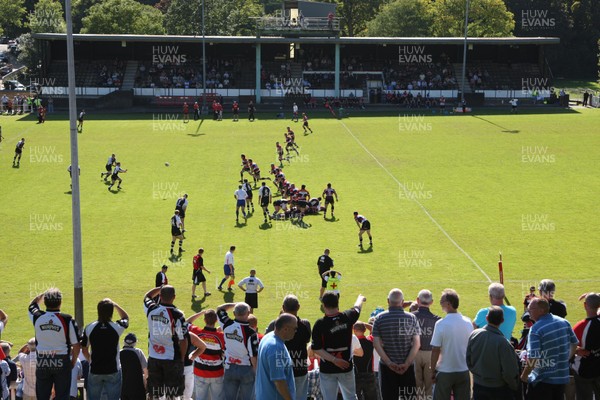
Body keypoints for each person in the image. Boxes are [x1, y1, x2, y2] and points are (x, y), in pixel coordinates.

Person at [311, 293, 367, 400]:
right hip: (346, 367)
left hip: (327, 369)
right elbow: (357, 308)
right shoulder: (348, 316)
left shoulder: (319, 324)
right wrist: (360, 298)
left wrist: (334, 360)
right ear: (337, 303)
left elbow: (316, 348)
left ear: (323, 306)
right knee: (350, 397)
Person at [29, 288, 81, 400]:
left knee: (42, 397)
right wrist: (72, 361)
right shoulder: (67, 319)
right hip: (62, 361)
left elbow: (32, 305)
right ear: (60, 302)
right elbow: (76, 345)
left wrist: (44, 294)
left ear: (45, 301)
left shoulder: (37, 316)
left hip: (43, 361)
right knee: (62, 396)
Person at [521, 297, 578, 400]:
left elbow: (533, 357)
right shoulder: (564, 322)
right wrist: (565, 359)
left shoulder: (536, 329)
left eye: (530, 309)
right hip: (561, 380)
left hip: (542, 381)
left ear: (541, 310)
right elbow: (574, 343)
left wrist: (524, 376)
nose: (528, 311)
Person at [372, 288, 420, 400]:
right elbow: (416, 344)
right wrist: (407, 363)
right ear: (402, 302)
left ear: (388, 301)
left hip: (386, 368)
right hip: (407, 368)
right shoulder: (411, 318)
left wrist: (389, 363)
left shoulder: (379, 318)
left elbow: (376, 344)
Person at [466, 306, 520, 400]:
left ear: (486, 318)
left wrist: (477, 374)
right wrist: (514, 386)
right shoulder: (504, 343)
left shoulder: (474, 335)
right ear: (502, 320)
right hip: (498, 389)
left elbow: (468, 359)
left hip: (478, 385)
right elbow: (509, 371)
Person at [144, 286, 188, 400]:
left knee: (153, 393)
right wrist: (182, 358)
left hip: (154, 358)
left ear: (160, 296)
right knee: (172, 394)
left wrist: (160, 287)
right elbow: (183, 340)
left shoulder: (151, 308)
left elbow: (147, 297)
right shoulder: (178, 315)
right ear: (174, 297)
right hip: (172, 359)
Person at [265, 295, 312, 400]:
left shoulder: (274, 325)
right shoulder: (305, 324)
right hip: (299, 367)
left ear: (283, 307)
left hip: (280, 369)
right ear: (298, 307)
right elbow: (307, 340)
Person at [81, 298, 129, 400]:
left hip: (95, 370)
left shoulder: (89, 327)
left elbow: (84, 349)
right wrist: (115, 305)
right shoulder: (117, 327)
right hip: (113, 370)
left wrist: (90, 360)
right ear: (111, 312)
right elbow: (125, 317)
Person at [430, 288, 473, 400]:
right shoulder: (468, 322)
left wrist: (432, 370)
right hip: (463, 370)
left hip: (445, 371)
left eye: (441, 301)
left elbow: (435, 349)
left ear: (448, 304)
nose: (440, 303)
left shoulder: (440, 324)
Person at [217, 302, 259, 400]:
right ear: (248, 313)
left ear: (234, 313)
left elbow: (220, 308)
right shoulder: (251, 333)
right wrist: (256, 372)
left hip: (229, 367)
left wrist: (236, 304)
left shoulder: (226, 324)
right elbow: (253, 356)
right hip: (246, 369)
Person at [255, 314, 298, 400]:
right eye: (295, 329)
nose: (295, 331)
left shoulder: (268, 337)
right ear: (285, 328)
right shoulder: (275, 348)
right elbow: (279, 381)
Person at [186, 309, 226, 400]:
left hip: (200, 372)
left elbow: (186, 322)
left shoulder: (197, 332)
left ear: (204, 320)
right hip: (217, 373)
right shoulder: (221, 336)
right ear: (216, 321)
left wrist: (200, 313)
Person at [412, 289, 441, 398]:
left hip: (414, 353)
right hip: (431, 354)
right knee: (429, 385)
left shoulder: (410, 317)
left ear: (418, 300)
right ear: (431, 302)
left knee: (417, 385)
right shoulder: (437, 320)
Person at [572, 292, 600, 400]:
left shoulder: (580, 327)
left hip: (583, 371)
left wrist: (576, 350)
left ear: (585, 305)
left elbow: (568, 347)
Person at [352, 322, 378, 400]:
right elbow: (374, 329)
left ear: (354, 330)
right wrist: (364, 324)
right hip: (369, 374)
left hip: (355, 375)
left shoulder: (351, 343)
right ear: (364, 330)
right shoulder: (371, 341)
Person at [119, 333, 148, 400]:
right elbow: (146, 370)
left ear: (124, 341)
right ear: (135, 342)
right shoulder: (138, 352)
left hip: (122, 387)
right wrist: (146, 386)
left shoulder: (119, 353)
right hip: (137, 387)